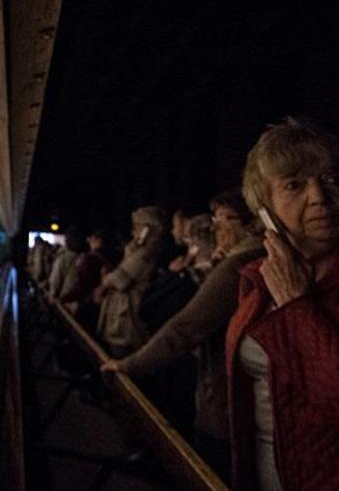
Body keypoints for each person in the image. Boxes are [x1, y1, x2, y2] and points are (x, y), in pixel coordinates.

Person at [224, 118, 339, 489]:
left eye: (334, 180)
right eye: (295, 184)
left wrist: (298, 305)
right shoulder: (257, 280)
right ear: (264, 209)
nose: (319, 198)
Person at [101, 193, 265, 481]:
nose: (217, 227)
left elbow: (185, 328)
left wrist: (130, 364)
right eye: (214, 219)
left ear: (251, 223)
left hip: (223, 406)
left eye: (225, 218)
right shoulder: (243, 260)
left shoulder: (236, 266)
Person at [97, 206, 172, 357]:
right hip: (122, 320)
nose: (133, 231)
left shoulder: (148, 252)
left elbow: (121, 279)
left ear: (148, 229)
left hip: (127, 323)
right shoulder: (138, 250)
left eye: (137, 226)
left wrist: (106, 280)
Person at [48, 227, 88, 300]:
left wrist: (52, 296)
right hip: (84, 304)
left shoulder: (63, 258)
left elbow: (55, 283)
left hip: (65, 302)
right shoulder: (89, 258)